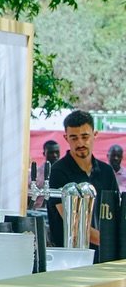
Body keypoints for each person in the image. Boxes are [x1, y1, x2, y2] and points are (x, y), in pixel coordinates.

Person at [49, 109, 119, 254]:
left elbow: (115, 212)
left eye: (85, 136)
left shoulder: (106, 171)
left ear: (95, 135)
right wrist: (110, 241)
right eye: (74, 138)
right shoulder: (58, 171)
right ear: (66, 138)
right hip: (69, 256)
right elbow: (73, 222)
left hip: (104, 256)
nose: (80, 143)